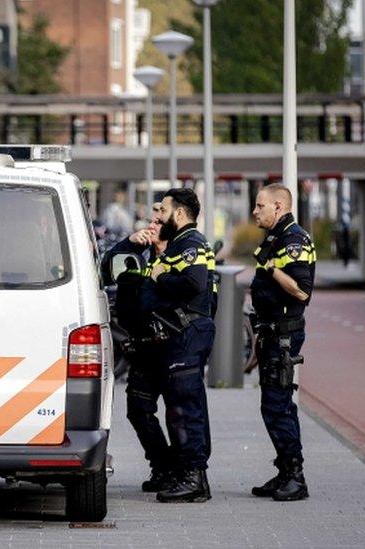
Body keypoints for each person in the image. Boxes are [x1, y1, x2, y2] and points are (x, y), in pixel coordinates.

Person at [143, 189, 217, 503]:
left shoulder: (191, 243)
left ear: (180, 213)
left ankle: (194, 477)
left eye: (165, 209)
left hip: (188, 333)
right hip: (181, 335)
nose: (160, 216)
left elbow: (194, 283)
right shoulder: (178, 244)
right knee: (180, 406)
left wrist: (160, 276)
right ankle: (187, 473)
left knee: (187, 407)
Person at [248, 183, 317, 502]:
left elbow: (302, 291)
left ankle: (295, 476)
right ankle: (284, 471)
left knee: (278, 405)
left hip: (284, 335)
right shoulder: (276, 237)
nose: (255, 211)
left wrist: (274, 270)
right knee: (272, 405)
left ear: (279, 206)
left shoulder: (294, 240)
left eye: (260, 206)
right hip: (271, 332)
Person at [104, 203, 177, 493]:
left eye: (158, 222)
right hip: (142, 346)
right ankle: (161, 465)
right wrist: (127, 243)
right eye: (150, 221)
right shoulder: (138, 254)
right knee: (138, 408)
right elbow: (105, 271)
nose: (152, 226)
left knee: (178, 412)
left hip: (171, 347)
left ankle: (182, 471)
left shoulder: (178, 256)